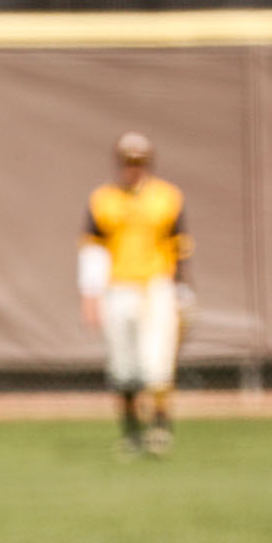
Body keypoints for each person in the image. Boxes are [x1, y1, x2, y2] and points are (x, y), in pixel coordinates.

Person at [77, 131, 194, 456]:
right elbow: (93, 251)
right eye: (128, 163)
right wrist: (90, 296)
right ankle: (131, 433)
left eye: (139, 163)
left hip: (156, 285)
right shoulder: (104, 199)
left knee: (157, 361)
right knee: (123, 365)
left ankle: (160, 429)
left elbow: (179, 247)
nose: (134, 169)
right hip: (118, 287)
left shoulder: (167, 197)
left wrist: (182, 290)